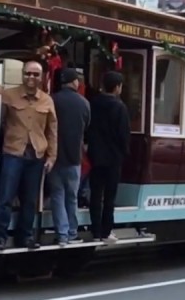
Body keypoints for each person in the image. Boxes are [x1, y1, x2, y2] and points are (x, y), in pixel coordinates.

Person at [0, 60, 58, 250]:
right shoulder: (9, 95)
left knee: (30, 200)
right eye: (28, 73)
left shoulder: (47, 100)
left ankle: (25, 237)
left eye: (35, 74)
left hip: (36, 156)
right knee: (5, 198)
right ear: (22, 74)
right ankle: (0, 238)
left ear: (41, 77)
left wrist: (52, 157)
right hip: (13, 153)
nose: (31, 77)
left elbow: (52, 131)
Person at [47, 68, 90, 246]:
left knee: (57, 195)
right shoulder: (84, 103)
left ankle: (62, 234)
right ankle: (73, 232)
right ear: (74, 82)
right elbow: (86, 126)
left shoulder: (52, 100)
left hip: (54, 156)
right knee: (71, 197)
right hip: (74, 157)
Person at [85, 70, 129, 243]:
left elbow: (88, 128)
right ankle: (106, 230)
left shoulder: (93, 103)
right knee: (109, 196)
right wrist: (124, 152)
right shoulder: (120, 107)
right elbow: (123, 135)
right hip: (113, 158)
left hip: (95, 156)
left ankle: (95, 230)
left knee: (95, 194)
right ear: (117, 87)